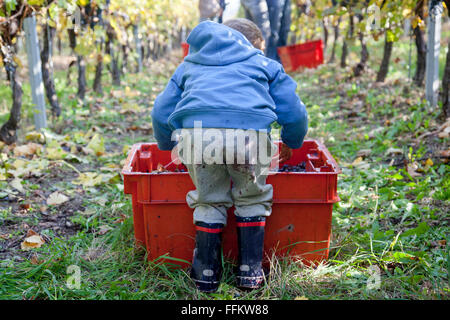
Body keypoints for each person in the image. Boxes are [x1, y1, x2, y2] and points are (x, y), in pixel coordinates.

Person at [151, 19, 308, 292]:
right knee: (251, 197)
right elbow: (295, 113)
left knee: (209, 200)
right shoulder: (265, 65)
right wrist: (291, 140)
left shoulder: (189, 65)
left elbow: (160, 112)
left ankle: (206, 274)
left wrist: (167, 144)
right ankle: (250, 272)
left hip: (198, 137)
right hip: (249, 139)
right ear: (256, 45)